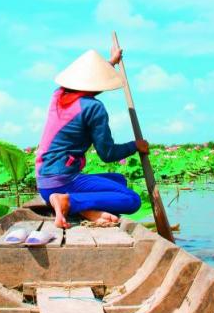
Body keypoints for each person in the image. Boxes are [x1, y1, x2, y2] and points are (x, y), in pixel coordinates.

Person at [35, 47, 147, 228]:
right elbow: (107, 154)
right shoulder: (94, 107)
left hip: (44, 184)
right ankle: (69, 202)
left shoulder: (57, 95)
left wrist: (111, 62)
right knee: (131, 199)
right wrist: (135, 145)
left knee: (119, 180)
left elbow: (88, 80)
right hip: (63, 182)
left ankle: (83, 208)